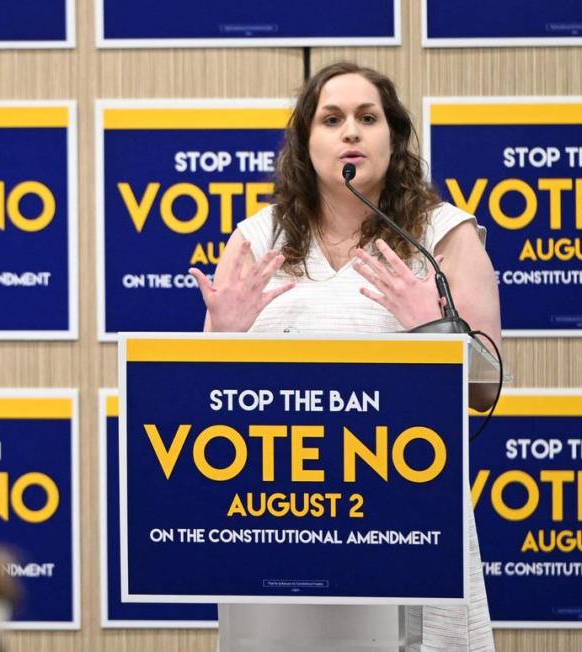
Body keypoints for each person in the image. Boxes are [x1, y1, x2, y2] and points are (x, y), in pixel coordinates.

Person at [190, 62, 501, 651]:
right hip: (279, 523)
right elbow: (204, 403)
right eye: (332, 119)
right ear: (306, 143)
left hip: (409, 523)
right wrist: (222, 339)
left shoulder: (442, 236)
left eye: (368, 118)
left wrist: (434, 329)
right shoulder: (256, 241)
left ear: (394, 136)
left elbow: (486, 386)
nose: (351, 132)